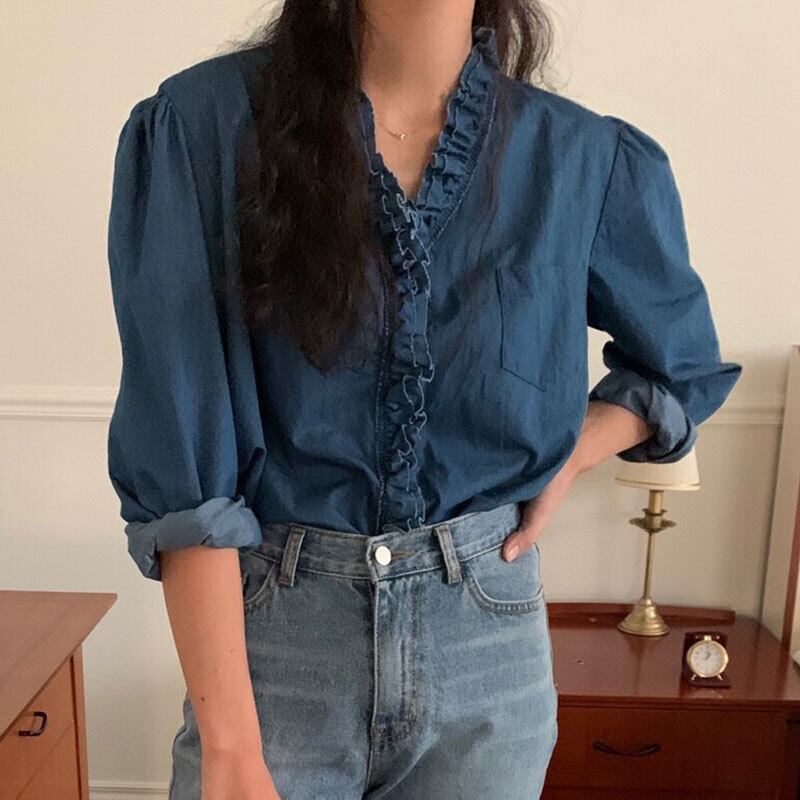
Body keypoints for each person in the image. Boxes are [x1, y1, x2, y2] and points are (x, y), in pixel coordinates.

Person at [105, 2, 743, 798]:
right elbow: (183, 449)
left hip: (486, 649)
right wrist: (231, 749)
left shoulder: (579, 157)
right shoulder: (205, 127)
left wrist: (572, 452)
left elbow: (679, 364)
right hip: (273, 650)